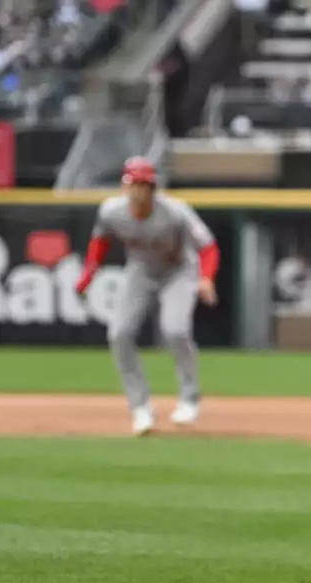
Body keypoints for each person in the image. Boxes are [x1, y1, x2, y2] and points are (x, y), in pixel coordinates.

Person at [75, 157, 220, 437]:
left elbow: (208, 246)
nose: (140, 191)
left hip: (179, 270)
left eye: (145, 185)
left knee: (175, 331)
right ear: (125, 187)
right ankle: (140, 408)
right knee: (119, 334)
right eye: (135, 184)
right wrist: (88, 275)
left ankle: (189, 399)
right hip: (140, 269)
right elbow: (100, 242)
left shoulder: (176, 211)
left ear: (154, 187)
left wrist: (205, 278)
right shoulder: (111, 211)